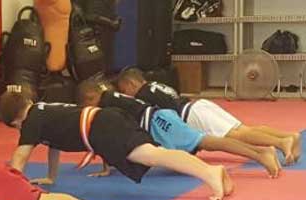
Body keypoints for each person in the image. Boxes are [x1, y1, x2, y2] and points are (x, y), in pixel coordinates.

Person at [0, 92, 234, 200]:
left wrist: (12, 188)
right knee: (154, 154)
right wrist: (50, 176)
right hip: (106, 121)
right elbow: (53, 146)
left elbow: (21, 155)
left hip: (103, 128)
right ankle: (211, 173)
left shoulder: (30, 121)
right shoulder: (42, 112)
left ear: (15, 122)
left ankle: (209, 173)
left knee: (152, 155)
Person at [77, 79, 281, 178]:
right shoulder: (111, 96)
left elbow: (105, 136)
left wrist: (105, 167)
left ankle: (260, 154)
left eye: (88, 104)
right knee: (205, 143)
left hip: (160, 123)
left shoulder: (106, 102)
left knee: (208, 142)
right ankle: (260, 152)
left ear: (90, 98)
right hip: (160, 120)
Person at [117, 67, 302, 165]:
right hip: (199, 105)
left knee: (236, 135)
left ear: (132, 83)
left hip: (192, 114)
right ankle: (287, 136)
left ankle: (280, 143)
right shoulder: (156, 84)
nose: (127, 94)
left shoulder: (142, 94)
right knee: (243, 129)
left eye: (125, 90)